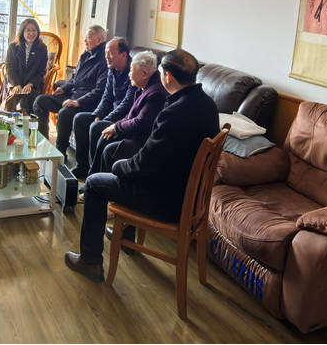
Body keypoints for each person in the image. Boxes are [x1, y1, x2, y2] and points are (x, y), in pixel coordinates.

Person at [64, 48, 219, 282]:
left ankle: (90, 261)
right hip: (188, 195)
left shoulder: (174, 112)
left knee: (95, 183)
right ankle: (126, 238)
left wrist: (117, 167)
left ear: (167, 76)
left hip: (166, 201)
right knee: (123, 165)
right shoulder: (207, 105)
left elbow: (144, 164)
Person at [32, 25, 108, 162]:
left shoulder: (104, 60)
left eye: (88, 37)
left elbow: (100, 91)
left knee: (64, 113)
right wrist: (64, 88)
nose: (85, 40)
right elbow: (74, 78)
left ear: (99, 40)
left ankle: (60, 153)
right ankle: (43, 143)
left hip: (86, 102)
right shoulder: (86, 54)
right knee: (40, 101)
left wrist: (78, 102)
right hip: (72, 96)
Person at [91, 50, 168, 176]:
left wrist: (117, 127)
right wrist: (116, 126)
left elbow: (141, 123)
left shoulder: (156, 93)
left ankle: (100, 182)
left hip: (143, 139)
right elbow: (131, 115)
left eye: (131, 70)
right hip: (135, 131)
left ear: (144, 73)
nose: (129, 74)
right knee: (102, 132)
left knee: (108, 147)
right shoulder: (144, 87)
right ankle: (93, 177)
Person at [70, 37, 135, 179]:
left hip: (123, 118)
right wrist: (97, 114)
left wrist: (105, 119)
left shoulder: (133, 72)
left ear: (123, 54)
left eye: (110, 53)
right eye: (105, 53)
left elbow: (127, 104)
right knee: (80, 119)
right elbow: (106, 97)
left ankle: (93, 175)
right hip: (111, 113)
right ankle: (82, 166)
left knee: (96, 127)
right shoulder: (112, 70)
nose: (106, 56)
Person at [3, 18, 48, 114]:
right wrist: (16, 84)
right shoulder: (13, 46)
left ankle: (27, 122)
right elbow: (9, 68)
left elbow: (41, 71)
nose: (31, 33)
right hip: (14, 81)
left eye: (34, 30)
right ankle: (9, 120)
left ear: (37, 32)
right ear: (22, 32)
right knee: (13, 99)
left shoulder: (42, 48)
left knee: (26, 100)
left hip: (33, 84)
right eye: (28, 30)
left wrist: (30, 84)